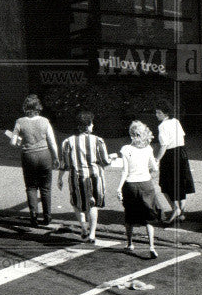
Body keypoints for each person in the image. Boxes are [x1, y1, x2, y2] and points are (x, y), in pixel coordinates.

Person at [57, 109, 114, 244]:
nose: (93, 126)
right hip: (95, 176)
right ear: (88, 125)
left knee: (77, 202)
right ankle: (92, 234)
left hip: (76, 176)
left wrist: (59, 178)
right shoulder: (98, 141)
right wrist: (113, 157)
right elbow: (105, 161)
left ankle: (83, 227)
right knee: (93, 203)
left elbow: (64, 164)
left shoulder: (68, 142)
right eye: (92, 123)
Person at [10, 94, 60, 226]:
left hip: (28, 156)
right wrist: (56, 157)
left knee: (31, 187)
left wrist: (19, 140)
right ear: (38, 107)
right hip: (44, 155)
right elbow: (52, 142)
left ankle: (33, 216)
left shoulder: (20, 121)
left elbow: (13, 142)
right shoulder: (45, 121)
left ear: (26, 107)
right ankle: (47, 217)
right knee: (46, 188)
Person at [117, 120, 161, 259]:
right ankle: (152, 246)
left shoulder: (126, 149)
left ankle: (130, 243)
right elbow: (155, 168)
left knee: (129, 216)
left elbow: (125, 171)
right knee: (148, 217)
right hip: (146, 184)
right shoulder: (148, 149)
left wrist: (118, 188)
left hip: (130, 185)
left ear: (131, 135)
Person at [154, 100, 194, 222]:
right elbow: (182, 137)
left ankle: (175, 208)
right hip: (181, 153)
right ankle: (182, 212)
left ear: (165, 114)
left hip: (170, 156)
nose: (157, 115)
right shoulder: (176, 122)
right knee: (181, 182)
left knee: (165, 184)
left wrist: (157, 159)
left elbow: (163, 146)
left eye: (159, 113)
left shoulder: (162, 126)